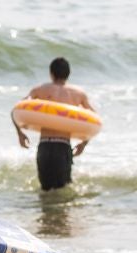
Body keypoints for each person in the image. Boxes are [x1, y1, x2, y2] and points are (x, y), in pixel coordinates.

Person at [16, 57, 94, 192]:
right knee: (63, 190)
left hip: (45, 146)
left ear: (51, 73)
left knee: (45, 190)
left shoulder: (40, 90)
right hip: (63, 146)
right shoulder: (78, 94)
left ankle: (46, 213)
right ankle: (61, 213)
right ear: (68, 74)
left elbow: (17, 110)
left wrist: (20, 134)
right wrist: (83, 144)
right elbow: (94, 120)